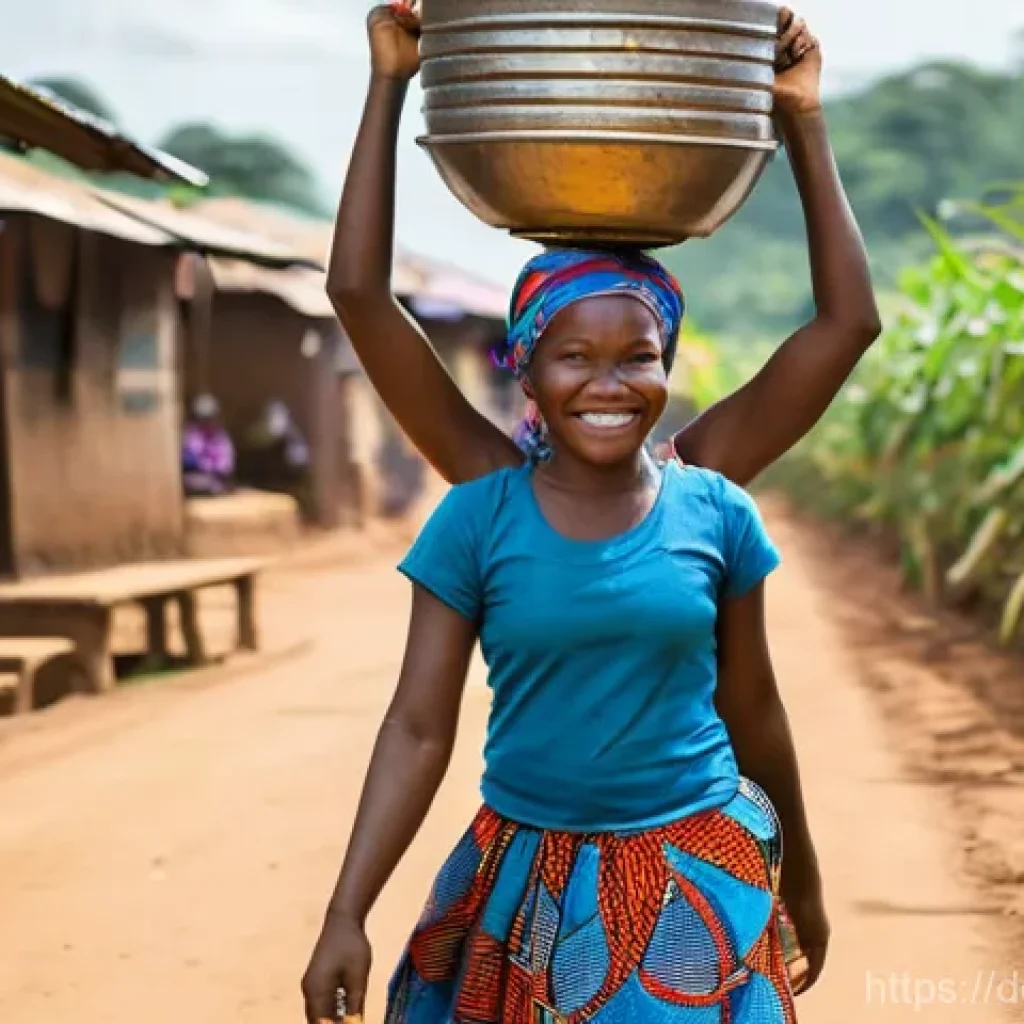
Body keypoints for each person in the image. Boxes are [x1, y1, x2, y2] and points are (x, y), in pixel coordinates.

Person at [303, 6, 880, 1021]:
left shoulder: (709, 496)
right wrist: (389, 82)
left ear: (667, 365)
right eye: (574, 356)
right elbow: (415, 726)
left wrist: (800, 119)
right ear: (525, 368)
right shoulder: (482, 509)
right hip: (522, 881)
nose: (607, 384)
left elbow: (755, 710)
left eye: (638, 356)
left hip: (694, 872)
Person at [181, 394, 235, 497]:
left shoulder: (221, 436)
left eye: (210, 418)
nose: (207, 422)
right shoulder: (192, 434)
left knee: (216, 485)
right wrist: (198, 464)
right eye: (203, 418)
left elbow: (226, 464)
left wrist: (214, 468)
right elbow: (188, 459)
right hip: (195, 477)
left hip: (216, 479)